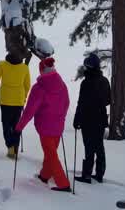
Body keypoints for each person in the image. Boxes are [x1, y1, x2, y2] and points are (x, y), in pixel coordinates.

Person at [15, 55, 71, 192]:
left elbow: (29, 111)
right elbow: (66, 103)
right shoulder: (62, 84)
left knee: (51, 155)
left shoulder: (39, 88)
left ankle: (63, 184)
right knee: (50, 153)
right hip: (58, 126)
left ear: (41, 71)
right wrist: (61, 118)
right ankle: (45, 175)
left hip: (45, 128)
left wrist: (19, 127)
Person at [74, 53, 111, 184]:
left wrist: (77, 119)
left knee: (89, 147)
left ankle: (87, 175)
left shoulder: (86, 83)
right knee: (99, 146)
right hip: (100, 119)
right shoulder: (105, 81)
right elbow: (108, 100)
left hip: (87, 120)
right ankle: (99, 174)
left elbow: (81, 103)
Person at [0, 52, 32, 158]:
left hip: (5, 100)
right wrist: (24, 97)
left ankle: (10, 146)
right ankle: (15, 146)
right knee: (17, 125)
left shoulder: (2, 64)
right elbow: (27, 85)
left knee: (6, 124)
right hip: (18, 100)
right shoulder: (24, 68)